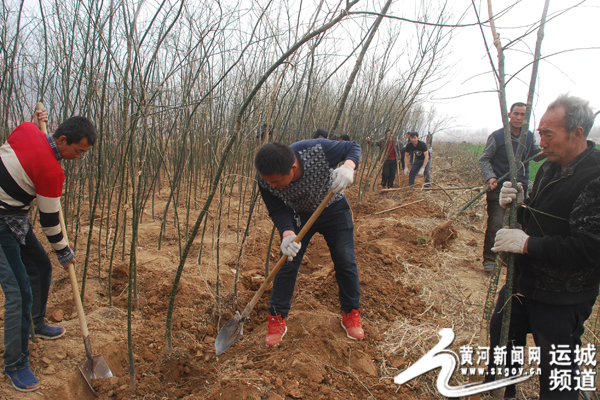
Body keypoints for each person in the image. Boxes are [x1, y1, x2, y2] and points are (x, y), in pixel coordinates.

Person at [488, 95, 600, 399]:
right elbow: (542, 217)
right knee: (501, 335)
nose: (541, 141)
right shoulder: (551, 166)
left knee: (558, 372)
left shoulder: (595, 177)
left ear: (576, 134)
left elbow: (589, 248)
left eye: (548, 134)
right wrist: (520, 206)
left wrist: (527, 245)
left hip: (563, 296)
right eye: (540, 133)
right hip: (524, 283)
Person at [0, 109, 96, 392]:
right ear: (63, 139)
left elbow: (28, 145)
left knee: (40, 267)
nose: (78, 158)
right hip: (3, 220)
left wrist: (36, 119)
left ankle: (36, 323)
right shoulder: (52, 171)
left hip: (14, 214)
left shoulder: (29, 128)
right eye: (77, 151)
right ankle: (16, 364)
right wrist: (64, 251)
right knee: (19, 293)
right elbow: (50, 223)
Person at [254, 138, 363, 348]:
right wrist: (287, 234)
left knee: (345, 261)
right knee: (287, 263)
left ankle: (351, 313)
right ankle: (276, 318)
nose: (272, 185)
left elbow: (353, 147)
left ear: (293, 168)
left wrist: (348, 166)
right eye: (268, 181)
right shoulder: (265, 178)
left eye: (276, 182)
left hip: (334, 210)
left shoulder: (317, 151)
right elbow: (276, 208)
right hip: (299, 216)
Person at [479, 102, 542, 271]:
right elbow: (484, 159)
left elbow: (534, 156)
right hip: (498, 187)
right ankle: (490, 260)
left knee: (519, 224)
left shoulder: (528, 136)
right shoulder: (498, 136)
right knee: (496, 223)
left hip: (520, 189)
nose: (519, 117)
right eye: (516, 113)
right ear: (509, 115)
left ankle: (509, 260)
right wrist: (490, 177)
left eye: (523, 114)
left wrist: (546, 149)